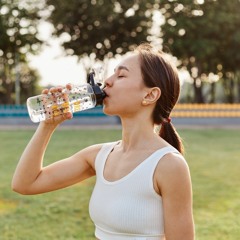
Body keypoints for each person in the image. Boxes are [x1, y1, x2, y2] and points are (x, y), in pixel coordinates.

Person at [12, 43, 195, 240]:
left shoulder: (169, 165)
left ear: (149, 95)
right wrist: (47, 125)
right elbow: (25, 184)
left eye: (121, 75)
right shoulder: (98, 156)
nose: (107, 81)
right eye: (111, 74)